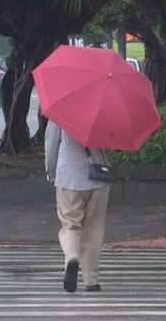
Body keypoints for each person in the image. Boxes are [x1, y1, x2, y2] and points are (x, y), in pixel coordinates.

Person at [44, 120, 111, 293]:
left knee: (70, 224)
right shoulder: (102, 110)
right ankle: (91, 280)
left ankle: (72, 256)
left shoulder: (59, 113)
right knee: (94, 229)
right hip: (98, 176)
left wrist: (51, 171)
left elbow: (51, 145)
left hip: (69, 176)